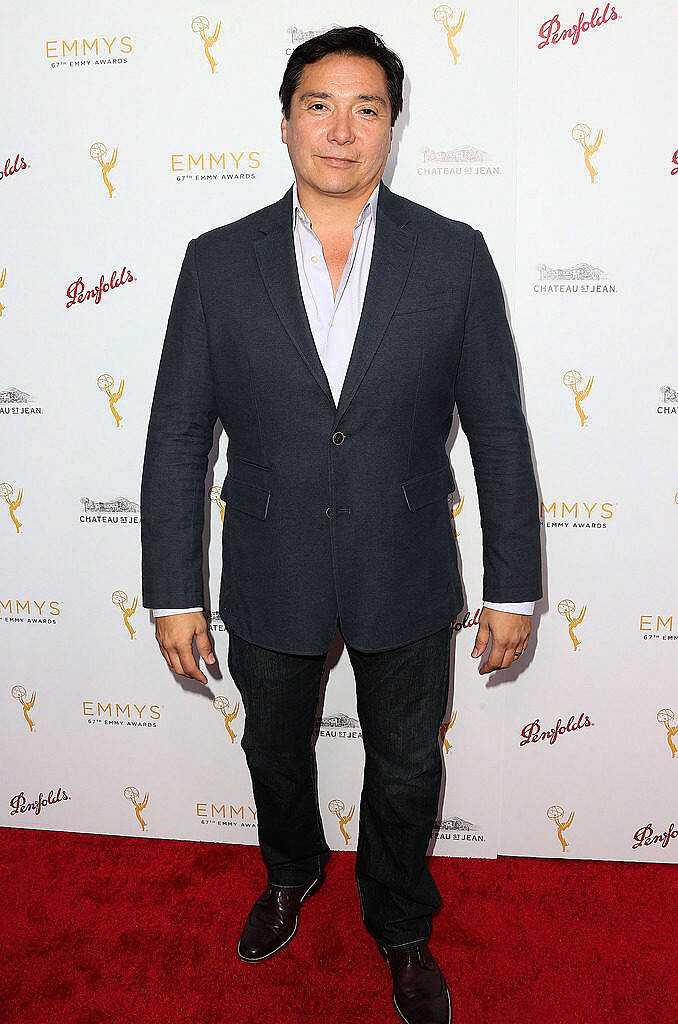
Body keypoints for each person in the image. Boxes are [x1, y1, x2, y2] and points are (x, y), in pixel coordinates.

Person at [140, 25, 541, 1024]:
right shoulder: (215, 262)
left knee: (407, 763)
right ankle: (291, 868)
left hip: (404, 563)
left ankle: (401, 923)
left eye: (368, 107)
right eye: (320, 103)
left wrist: (514, 586)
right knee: (275, 750)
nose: (342, 127)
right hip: (268, 565)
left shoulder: (453, 258)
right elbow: (180, 434)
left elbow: (497, 428)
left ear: (393, 128)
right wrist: (172, 590)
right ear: (285, 122)